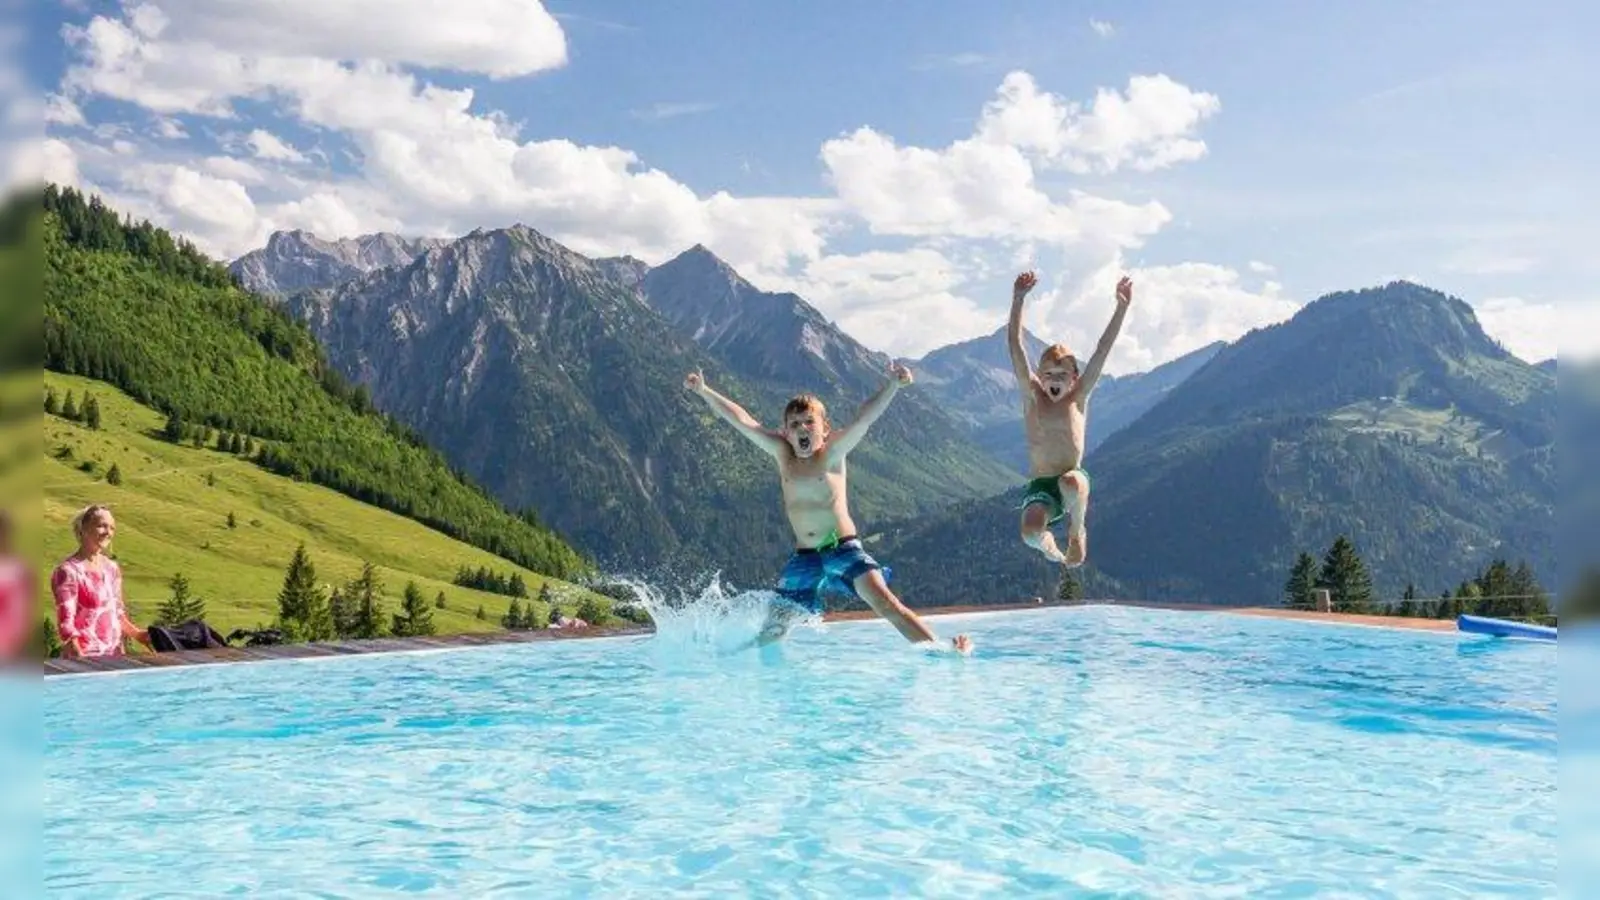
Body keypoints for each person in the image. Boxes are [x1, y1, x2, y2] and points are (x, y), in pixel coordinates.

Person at [685, 363, 973, 655]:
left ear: (825, 429)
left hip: (843, 549)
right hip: (805, 557)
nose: (802, 429)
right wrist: (705, 391)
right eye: (795, 425)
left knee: (884, 602)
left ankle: (942, 649)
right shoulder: (782, 454)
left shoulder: (833, 452)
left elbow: (864, 419)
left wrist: (893, 386)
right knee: (774, 629)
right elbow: (744, 421)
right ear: (785, 432)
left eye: (809, 422)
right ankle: (732, 658)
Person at [1007, 271, 1132, 567]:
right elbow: (1015, 347)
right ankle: (1052, 550)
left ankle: (1077, 530)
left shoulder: (1079, 397)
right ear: (1039, 375)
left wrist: (1121, 308)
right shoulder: (1032, 396)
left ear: (1074, 378)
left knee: (1069, 482)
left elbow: (1103, 349)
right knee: (1029, 533)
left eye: (1062, 376)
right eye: (1047, 374)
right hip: (1041, 486)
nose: (1053, 380)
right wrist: (1018, 300)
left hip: (1074, 483)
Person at [51, 504, 151, 659]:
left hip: (115, 658)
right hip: (85, 659)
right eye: (102, 526)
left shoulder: (112, 569)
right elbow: (66, 626)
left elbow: (117, 614)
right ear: (83, 528)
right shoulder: (68, 571)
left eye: (112, 528)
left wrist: (138, 635)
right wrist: (81, 662)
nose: (108, 532)